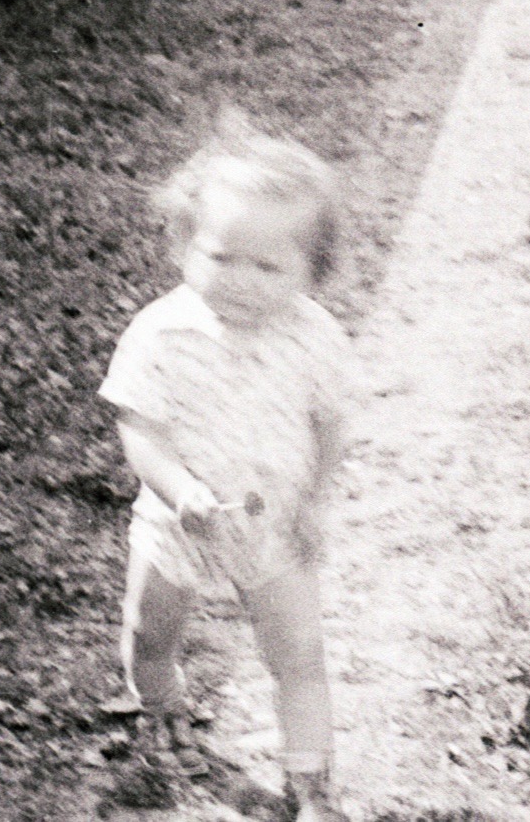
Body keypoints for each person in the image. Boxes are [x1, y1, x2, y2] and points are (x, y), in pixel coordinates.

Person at [98, 123, 358, 822]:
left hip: (272, 523)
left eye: (268, 267)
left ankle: (311, 783)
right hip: (175, 523)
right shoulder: (160, 331)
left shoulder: (315, 337)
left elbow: (329, 423)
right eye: (220, 256)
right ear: (185, 247)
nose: (239, 281)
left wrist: (312, 501)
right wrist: (179, 490)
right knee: (149, 632)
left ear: (312, 271)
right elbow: (139, 426)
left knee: (298, 654)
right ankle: (161, 711)